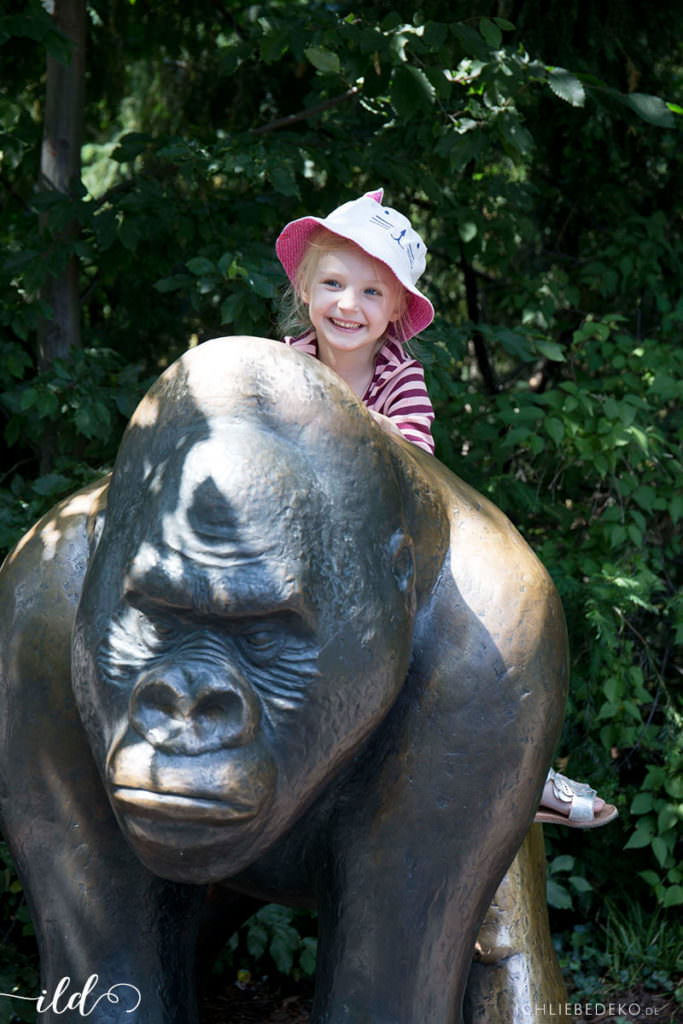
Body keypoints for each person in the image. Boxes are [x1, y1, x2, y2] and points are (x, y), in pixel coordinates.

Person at [275, 188, 617, 829]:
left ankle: (520, 767)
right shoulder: (284, 362)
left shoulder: (399, 378)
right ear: (304, 288)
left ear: (398, 308)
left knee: (467, 641)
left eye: (373, 292)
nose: (348, 305)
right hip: (297, 544)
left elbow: (411, 464)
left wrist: (335, 422)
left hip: (382, 549)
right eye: (333, 283)